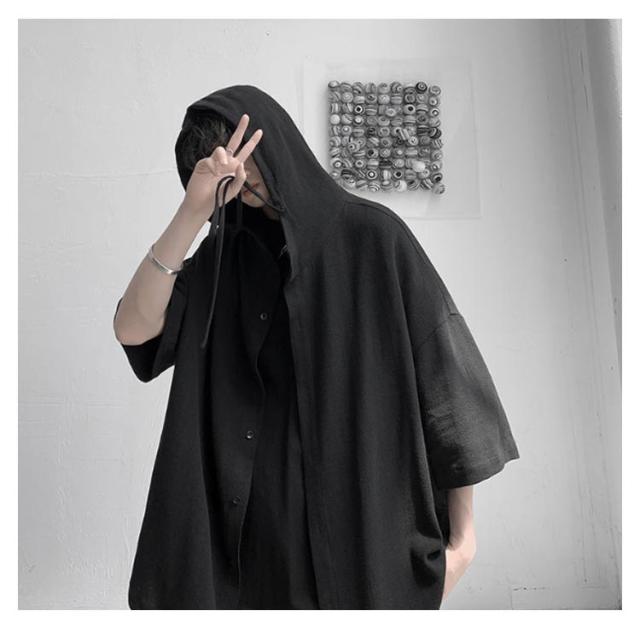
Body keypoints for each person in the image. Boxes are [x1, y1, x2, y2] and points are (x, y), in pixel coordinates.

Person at [113, 84, 520, 610]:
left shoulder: (373, 238)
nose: (238, 174)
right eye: (217, 167)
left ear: (272, 139)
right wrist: (191, 215)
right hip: (248, 558)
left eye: (242, 154)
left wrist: (463, 543)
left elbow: (448, 387)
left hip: (362, 549)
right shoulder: (222, 257)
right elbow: (133, 329)